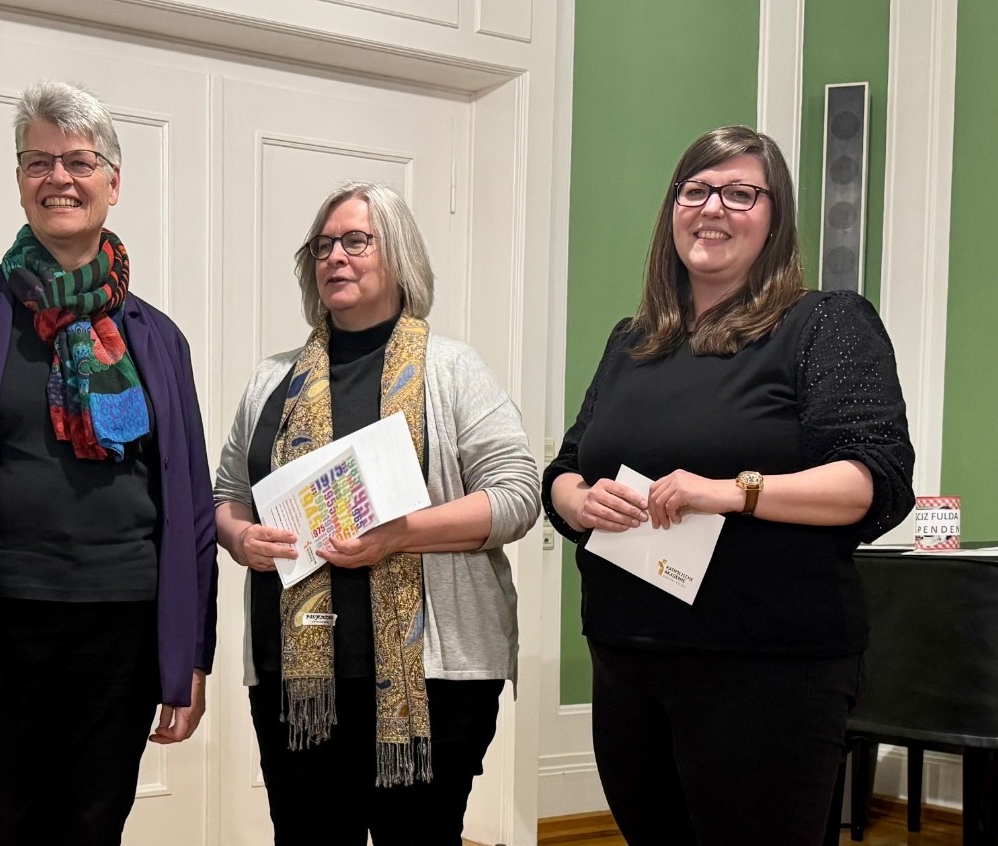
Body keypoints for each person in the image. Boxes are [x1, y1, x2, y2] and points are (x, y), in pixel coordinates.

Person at [0, 79, 217, 846]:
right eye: (38, 162)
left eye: (80, 161)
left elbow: (189, 507)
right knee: (0, 821)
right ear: (20, 182)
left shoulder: (159, 338)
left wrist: (190, 655)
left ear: (113, 184)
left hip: (122, 624)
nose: (59, 177)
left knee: (94, 823)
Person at [542, 126, 915, 845]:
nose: (713, 208)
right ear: (672, 210)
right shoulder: (632, 341)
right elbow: (567, 468)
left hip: (767, 668)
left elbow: (874, 481)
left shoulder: (824, 324)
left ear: (775, 220)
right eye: (697, 190)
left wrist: (730, 490)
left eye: (741, 194)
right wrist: (578, 501)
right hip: (629, 653)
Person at [213, 182, 541, 845]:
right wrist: (240, 535)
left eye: (356, 241)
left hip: (433, 682)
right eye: (323, 245)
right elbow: (226, 493)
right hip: (297, 682)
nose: (335, 256)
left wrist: (400, 535)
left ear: (400, 256)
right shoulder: (270, 379)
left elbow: (516, 495)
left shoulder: (454, 369)